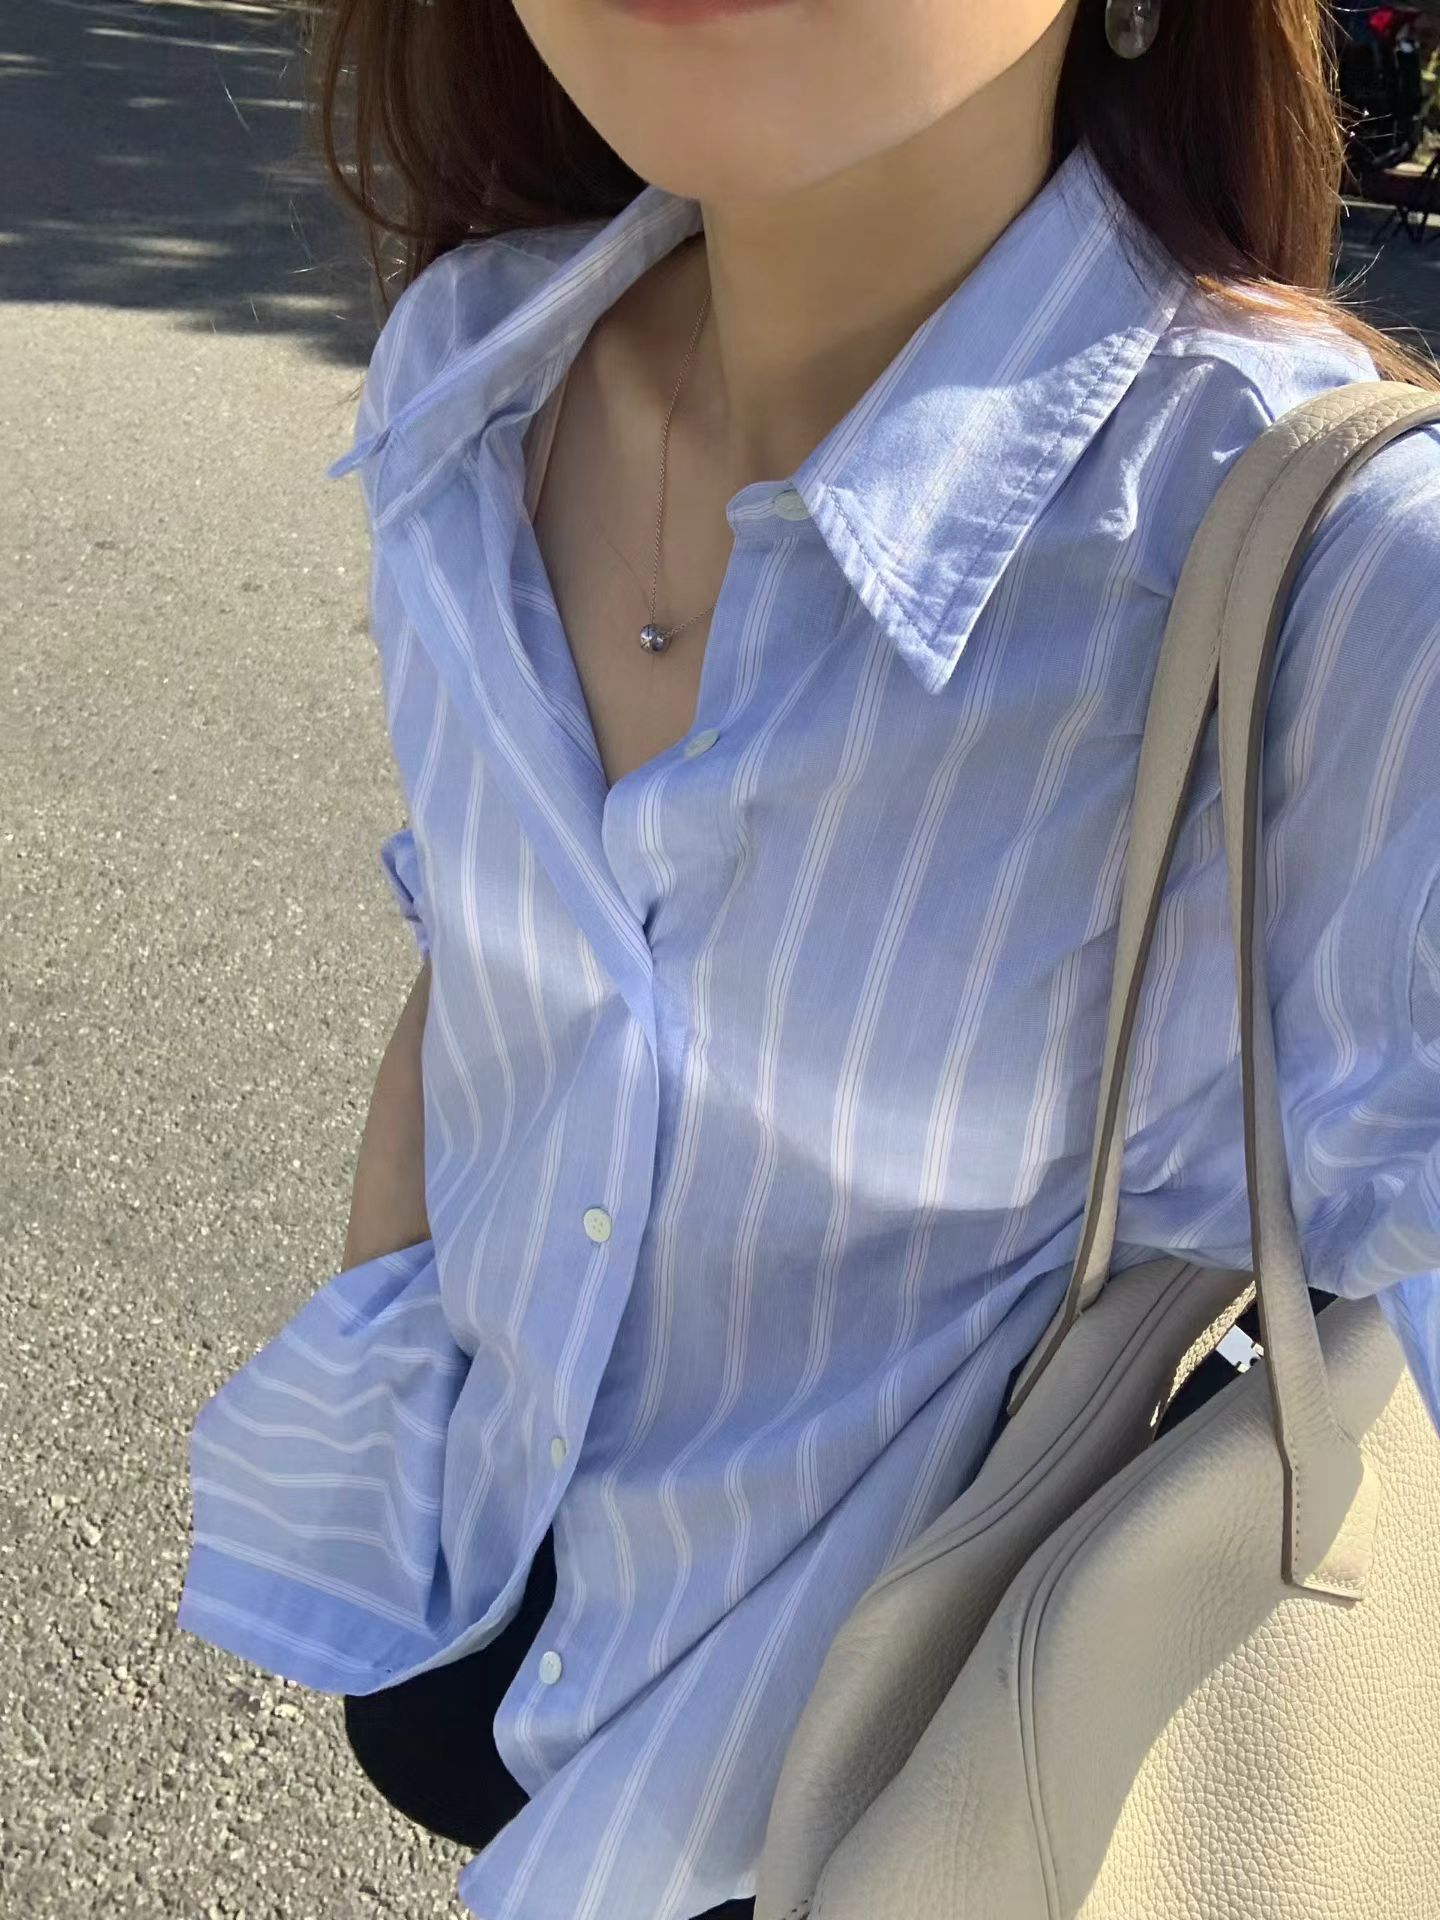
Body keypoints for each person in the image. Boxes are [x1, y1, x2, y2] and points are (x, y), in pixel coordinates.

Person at [176, 0, 1440, 1916]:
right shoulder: (483, 369)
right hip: (469, 1616)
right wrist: (397, 1365)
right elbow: (494, 953)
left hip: (911, 1793)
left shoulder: (1344, 579)